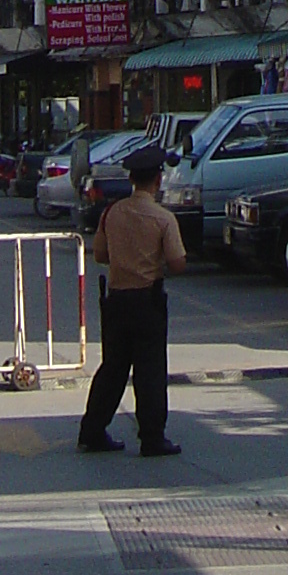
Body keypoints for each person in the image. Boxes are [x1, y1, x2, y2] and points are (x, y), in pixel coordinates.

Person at [79, 144, 187, 457]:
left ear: (131, 179)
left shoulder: (112, 212)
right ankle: (152, 438)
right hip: (147, 301)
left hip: (116, 300)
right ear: (158, 180)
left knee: (112, 367)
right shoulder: (163, 218)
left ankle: (92, 430)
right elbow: (177, 263)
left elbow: (100, 254)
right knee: (150, 370)